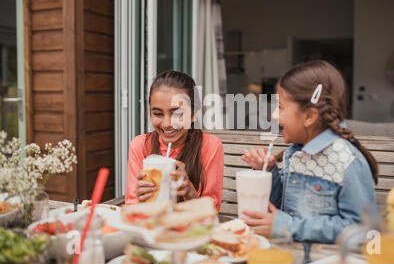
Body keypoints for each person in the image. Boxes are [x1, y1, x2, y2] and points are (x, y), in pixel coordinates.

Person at [241, 60, 377, 243]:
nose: (274, 115)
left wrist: (287, 227)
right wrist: (269, 172)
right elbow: (283, 207)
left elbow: (361, 229)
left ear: (309, 116)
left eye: (280, 107)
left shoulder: (347, 162)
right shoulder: (295, 151)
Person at [125, 71, 224, 211]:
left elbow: (212, 211)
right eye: (158, 114)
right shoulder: (140, 145)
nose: (166, 124)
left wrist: (190, 194)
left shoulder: (210, 146)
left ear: (194, 114)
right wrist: (140, 201)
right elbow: (131, 205)